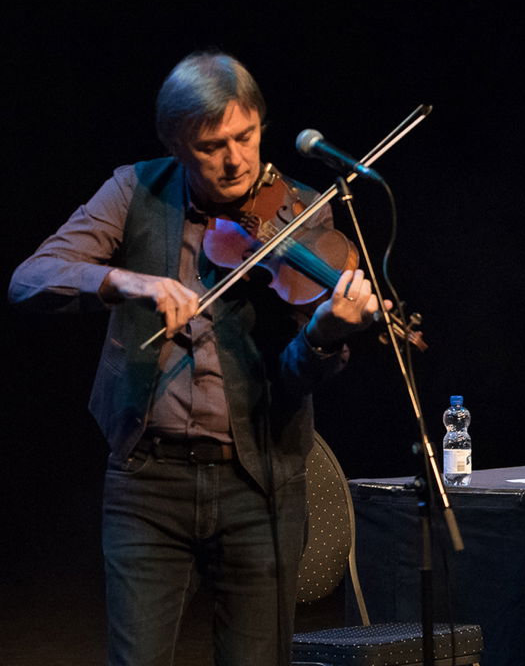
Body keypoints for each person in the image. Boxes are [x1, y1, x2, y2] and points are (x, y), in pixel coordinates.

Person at [9, 51, 384, 665]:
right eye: (212, 146)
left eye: (247, 136)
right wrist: (127, 283)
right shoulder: (135, 188)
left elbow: (293, 381)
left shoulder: (305, 212)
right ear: (178, 144)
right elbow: (31, 278)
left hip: (258, 481)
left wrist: (322, 336)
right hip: (147, 481)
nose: (237, 160)